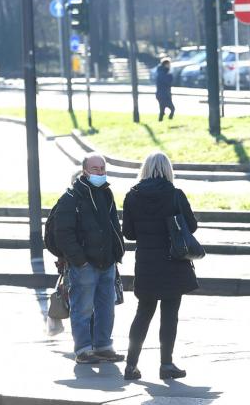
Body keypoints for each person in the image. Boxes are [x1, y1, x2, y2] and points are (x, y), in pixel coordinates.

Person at [121, 152, 198, 380]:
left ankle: (130, 365)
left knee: (143, 313)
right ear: (167, 170)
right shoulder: (175, 195)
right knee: (169, 315)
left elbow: (129, 233)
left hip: (146, 264)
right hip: (173, 263)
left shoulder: (132, 196)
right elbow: (191, 226)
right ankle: (166, 364)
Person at [54, 154, 126, 365]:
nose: (100, 172)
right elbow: (63, 233)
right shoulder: (71, 197)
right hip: (85, 264)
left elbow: (113, 225)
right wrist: (80, 260)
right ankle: (83, 349)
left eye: (102, 168)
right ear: (84, 171)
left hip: (107, 262)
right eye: (95, 169)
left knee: (107, 307)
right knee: (82, 308)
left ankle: (103, 346)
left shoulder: (106, 193)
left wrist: (116, 253)